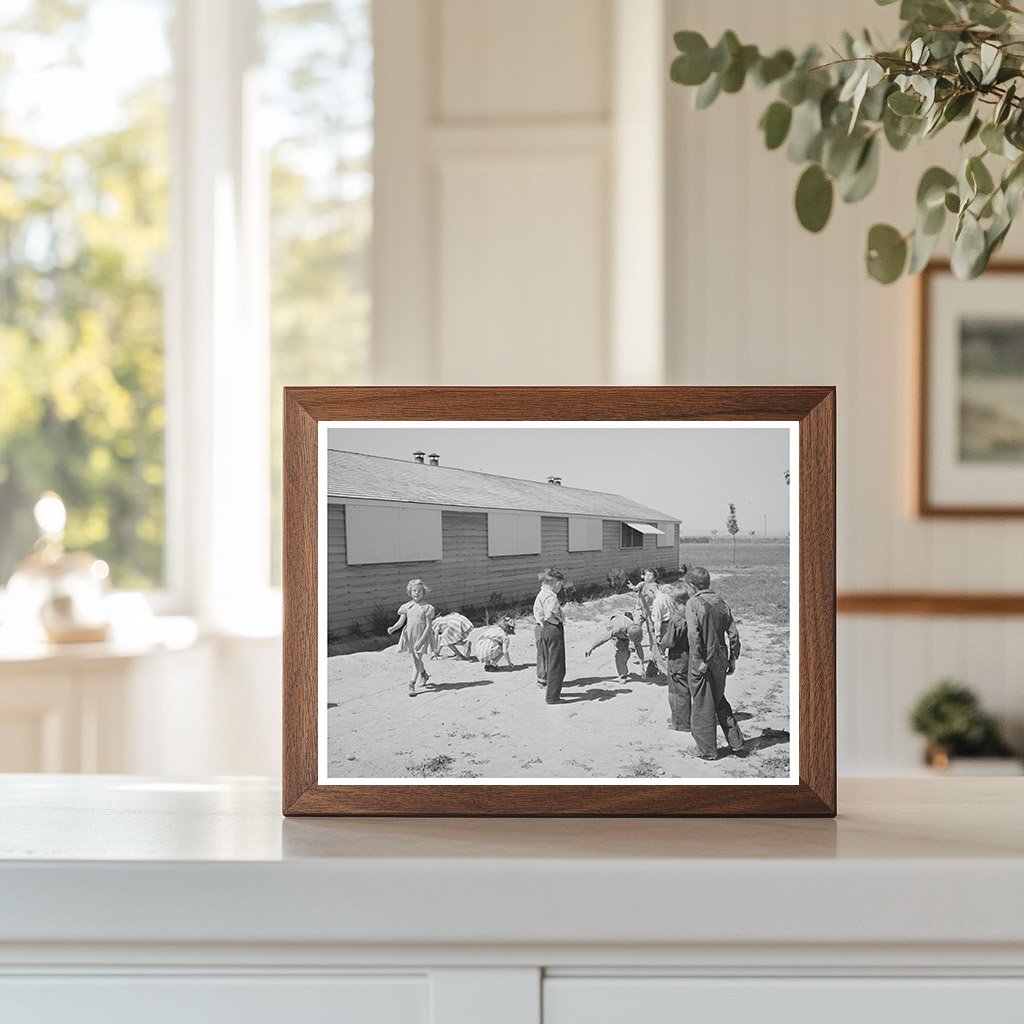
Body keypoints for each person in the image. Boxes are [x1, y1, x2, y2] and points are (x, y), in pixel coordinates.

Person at [682, 566, 745, 759]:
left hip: (702, 658)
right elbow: (733, 632)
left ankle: (707, 750)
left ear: (692, 585)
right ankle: (736, 743)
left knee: (702, 704)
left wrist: (698, 660)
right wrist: (733, 657)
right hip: (721, 657)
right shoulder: (721, 601)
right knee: (718, 699)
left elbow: (693, 634)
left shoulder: (693, 603)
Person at [386, 579, 437, 697]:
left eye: (419, 591)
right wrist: (393, 628)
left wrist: (421, 641)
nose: (416, 593)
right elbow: (400, 622)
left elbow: (429, 626)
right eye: (414, 591)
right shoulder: (407, 606)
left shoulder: (427, 607)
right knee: (416, 659)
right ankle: (423, 674)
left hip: (421, 635)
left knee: (416, 659)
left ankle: (411, 684)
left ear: (423, 592)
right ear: (410, 592)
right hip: (409, 636)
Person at [533, 568, 566, 704]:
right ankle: (553, 697)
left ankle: (549, 691)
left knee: (548, 660)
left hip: (543, 629)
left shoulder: (542, 593)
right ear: (557, 583)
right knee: (557, 665)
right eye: (561, 585)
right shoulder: (551, 597)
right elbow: (549, 615)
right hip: (552, 629)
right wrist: (557, 621)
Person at [659, 590, 690, 731]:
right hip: (692, 656)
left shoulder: (677, 618)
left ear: (673, 601)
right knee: (687, 688)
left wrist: (661, 645)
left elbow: (670, 641)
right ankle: (680, 717)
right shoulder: (693, 613)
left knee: (677, 691)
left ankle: (681, 723)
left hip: (678, 658)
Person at [583, 611, 644, 682]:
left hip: (624, 626)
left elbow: (639, 648)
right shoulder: (617, 629)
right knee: (621, 653)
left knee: (627, 653)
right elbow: (603, 638)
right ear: (628, 636)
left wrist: (642, 666)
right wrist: (591, 648)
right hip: (613, 628)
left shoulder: (635, 630)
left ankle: (622, 664)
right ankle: (623, 675)